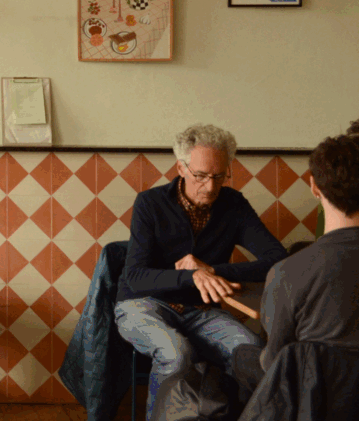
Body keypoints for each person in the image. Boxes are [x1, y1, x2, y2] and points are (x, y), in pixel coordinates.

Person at [114, 124, 287, 419]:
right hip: (143, 304)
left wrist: (212, 270)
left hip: (199, 311)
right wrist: (192, 276)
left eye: (219, 176)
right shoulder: (150, 203)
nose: (210, 186)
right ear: (181, 168)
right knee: (176, 353)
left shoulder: (234, 205)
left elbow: (277, 259)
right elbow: (136, 277)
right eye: (201, 176)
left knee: (252, 352)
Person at [233, 133, 359, 399]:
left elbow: (275, 364)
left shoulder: (287, 273)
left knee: (242, 357)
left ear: (314, 186)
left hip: (315, 404)